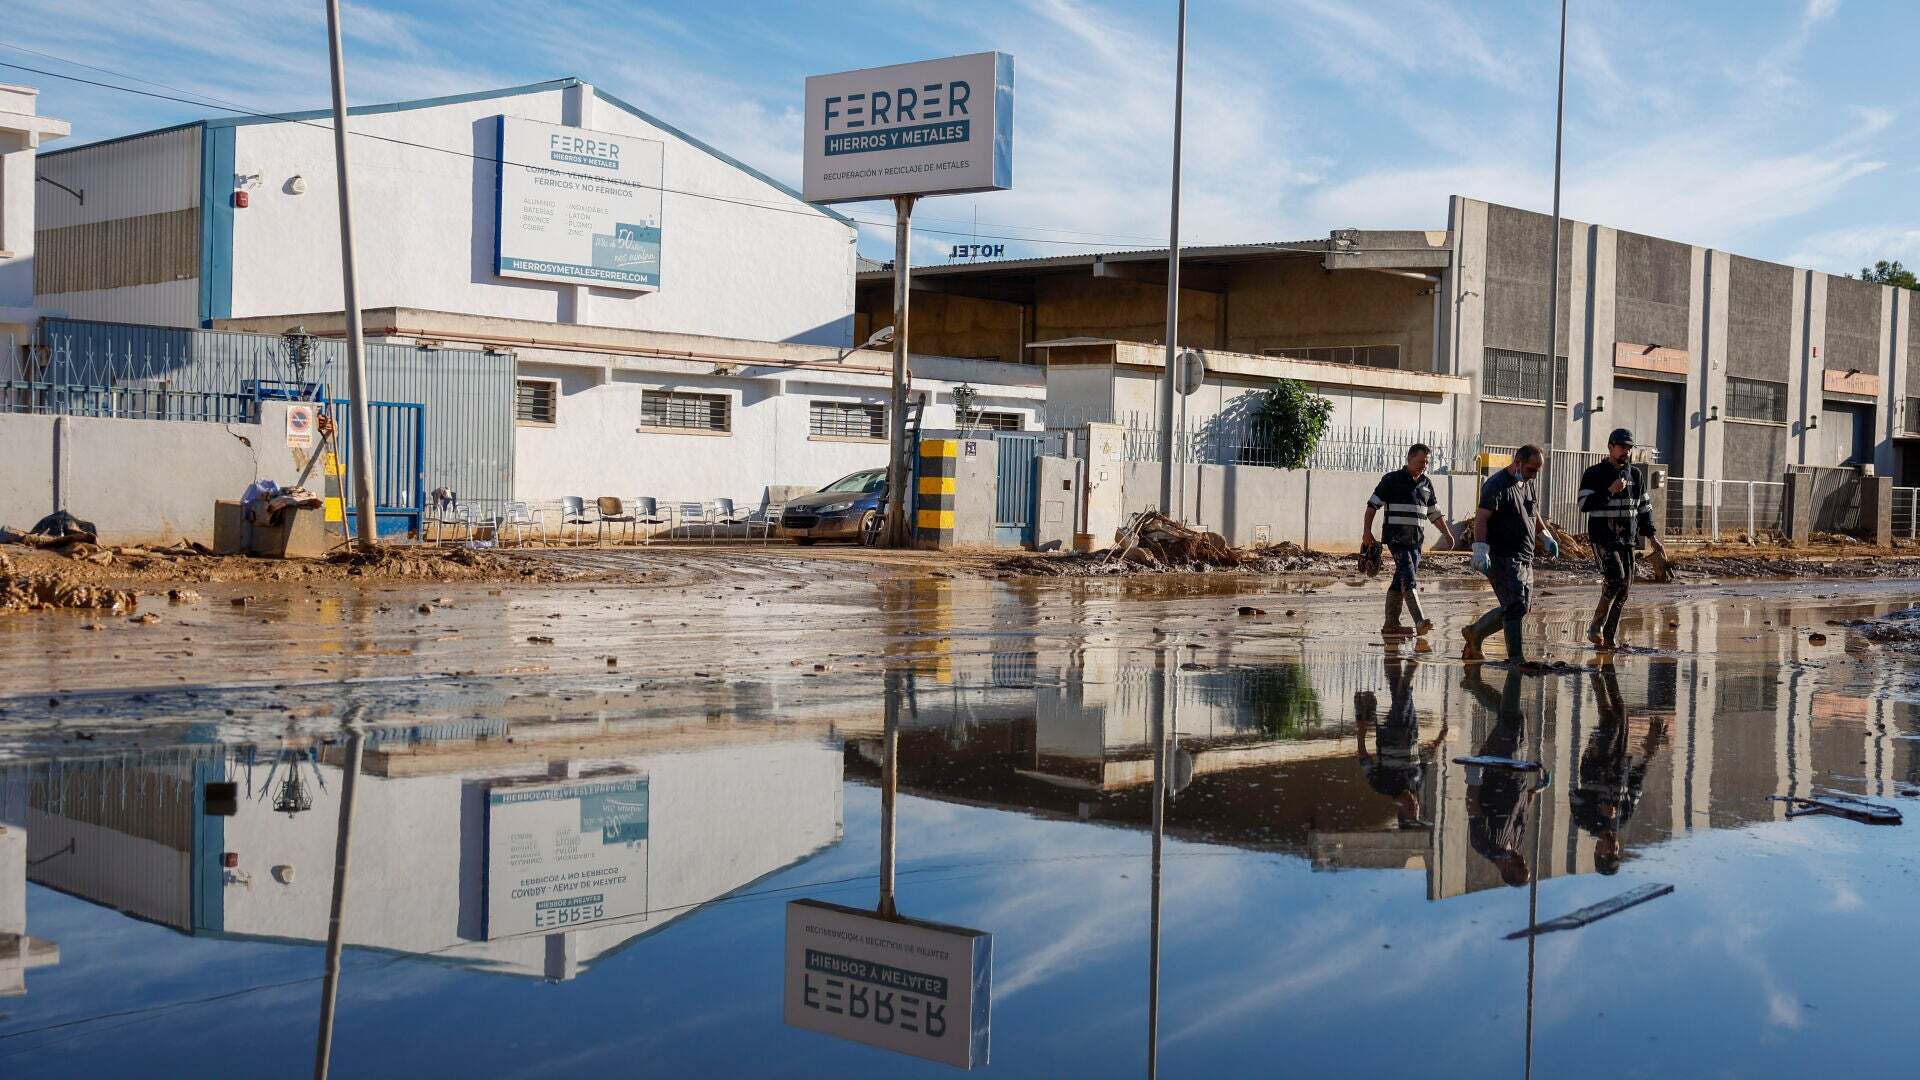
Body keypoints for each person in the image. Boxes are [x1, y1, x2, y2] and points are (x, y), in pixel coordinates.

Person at [1463, 445, 1559, 663]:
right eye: (1530, 469)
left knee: (1522, 606)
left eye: (1537, 471)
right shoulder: (1496, 485)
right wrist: (1479, 549)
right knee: (1515, 606)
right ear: (1517, 462)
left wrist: (1545, 535)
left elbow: (1533, 513)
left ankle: (1475, 632)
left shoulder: (1527, 484)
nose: (1534, 475)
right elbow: (1481, 519)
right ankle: (1516, 658)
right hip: (1502, 555)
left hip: (1525, 556)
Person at [1569, 669, 1667, 874]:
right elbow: (1635, 786)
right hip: (1619, 761)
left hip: (1596, 762)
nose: (1614, 847)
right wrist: (1649, 752)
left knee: (1611, 723)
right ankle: (1606, 670)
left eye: (1608, 853)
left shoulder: (1584, 821)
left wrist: (1598, 805)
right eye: (1616, 852)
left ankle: (1597, 675)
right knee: (1620, 713)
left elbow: (1574, 794)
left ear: (1597, 851)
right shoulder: (1622, 819)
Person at [1578, 428, 1665, 649]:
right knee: (1615, 578)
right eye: (1622, 447)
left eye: (1629, 448)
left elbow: (1644, 509)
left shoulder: (1635, 475)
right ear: (1610, 447)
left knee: (1625, 588)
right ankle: (1595, 627)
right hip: (1603, 537)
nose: (1626, 451)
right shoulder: (1594, 474)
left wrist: (1653, 538)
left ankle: (1608, 636)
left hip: (1627, 539)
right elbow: (1583, 504)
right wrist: (1609, 490)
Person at [1460, 666, 1547, 887]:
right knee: (1517, 719)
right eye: (1525, 864)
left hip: (1496, 767)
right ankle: (1477, 685)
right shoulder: (1515, 843)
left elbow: (1474, 808)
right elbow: (1521, 811)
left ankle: (1480, 684)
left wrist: (1474, 772)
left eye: (1521, 866)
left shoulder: (1485, 845)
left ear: (1507, 870)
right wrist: (1537, 790)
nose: (1523, 860)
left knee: (1513, 719)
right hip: (1517, 770)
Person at [1363, 443, 1458, 635]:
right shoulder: (1391, 480)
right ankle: (1419, 621)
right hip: (1396, 539)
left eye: (1426, 463)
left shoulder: (1426, 484)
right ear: (1409, 459)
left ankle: (1391, 625)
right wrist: (1366, 532)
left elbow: (1434, 514)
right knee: (1408, 575)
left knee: (1400, 579)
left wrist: (1447, 534)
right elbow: (1372, 506)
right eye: (1420, 462)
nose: (1424, 466)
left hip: (1416, 541)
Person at [1354, 652, 1449, 829]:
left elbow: (1364, 759)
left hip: (1391, 733)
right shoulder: (1416, 783)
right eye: (1417, 808)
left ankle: (1411, 668)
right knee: (1398, 692)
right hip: (1411, 730)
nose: (1415, 804)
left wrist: (1361, 731)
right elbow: (1426, 759)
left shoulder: (1381, 785)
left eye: (1411, 809)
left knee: (1403, 696)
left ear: (1400, 810)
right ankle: (1391, 656)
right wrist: (1441, 738)